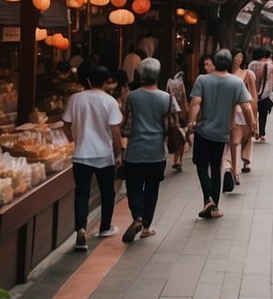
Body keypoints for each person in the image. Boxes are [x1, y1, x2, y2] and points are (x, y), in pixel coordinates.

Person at [61, 64, 123, 251]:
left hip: (81, 154)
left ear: (88, 80)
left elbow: (66, 123)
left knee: (82, 192)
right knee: (107, 192)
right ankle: (105, 227)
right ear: (106, 82)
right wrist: (118, 152)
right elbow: (115, 129)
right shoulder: (109, 101)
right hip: (104, 154)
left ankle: (81, 228)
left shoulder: (76, 99)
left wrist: (74, 140)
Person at [188, 49, 254, 219]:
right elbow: (246, 106)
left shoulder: (202, 80)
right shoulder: (236, 83)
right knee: (216, 167)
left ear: (215, 63)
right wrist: (251, 125)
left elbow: (195, 102)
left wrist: (190, 123)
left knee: (201, 165)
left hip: (203, 131)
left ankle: (208, 197)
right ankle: (215, 207)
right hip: (222, 133)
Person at [120, 58, 178, 242]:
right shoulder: (167, 98)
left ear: (141, 75)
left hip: (135, 151)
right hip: (156, 152)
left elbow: (124, 120)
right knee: (152, 188)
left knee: (134, 186)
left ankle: (137, 215)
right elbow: (172, 122)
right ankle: (146, 226)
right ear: (157, 75)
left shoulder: (131, 96)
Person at [222, 48, 257, 192]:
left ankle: (234, 170)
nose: (239, 59)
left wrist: (254, 114)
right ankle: (232, 169)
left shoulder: (247, 74)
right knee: (232, 142)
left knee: (236, 142)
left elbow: (253, 95)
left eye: (241, 57)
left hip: (242, 111)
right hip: (227, 111)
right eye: (236, 57)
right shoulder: (225, 74)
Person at [247, 46, 273, 142]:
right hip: (264, 95)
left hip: (251, 94)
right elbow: (272, 81)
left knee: (252, 113)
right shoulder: (269, 65)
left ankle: (252, 130)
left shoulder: (251, 65)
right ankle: (262, 134)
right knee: (263, 115)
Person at [166, 69, 190, 172]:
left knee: (179, 137)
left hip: (176, 114)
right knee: (181, 138)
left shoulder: (169, 85)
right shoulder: (182, 85)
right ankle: (178, 160)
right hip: (180, 114)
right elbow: (185, 100)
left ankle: (178, 160)